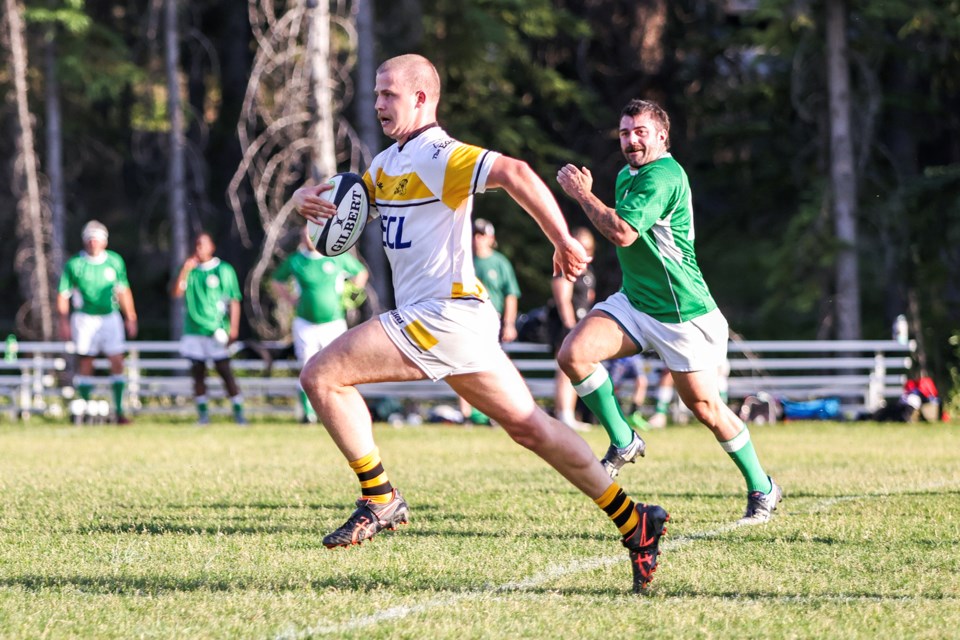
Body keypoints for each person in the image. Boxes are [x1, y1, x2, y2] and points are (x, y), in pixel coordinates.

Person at [293, 54, 669, 592]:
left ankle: (379, 497)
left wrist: (562, 239)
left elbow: (516, 173)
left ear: (422, 98)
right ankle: (635, 521)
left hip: (441, 315)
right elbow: (341, 210)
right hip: (459, 322)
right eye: (375, 94)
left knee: (321, 375)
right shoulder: (385, 165)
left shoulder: (441, 154)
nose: (378, 104)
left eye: (388, 95)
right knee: (531, 427)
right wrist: (302, 200)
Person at [556, 98, 782, 525]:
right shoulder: (627, 175)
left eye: (640, 131)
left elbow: (621, 233)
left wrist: (583, 195)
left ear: (662, 135)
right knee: (573, 354)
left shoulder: (664, 175)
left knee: (706, 408)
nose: (631, 140)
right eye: (624, 132)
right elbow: (622, 231)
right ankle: (623, 440)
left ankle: (763, 486)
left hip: (683, 313)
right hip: (636, 301)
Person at [270, 227, 369, 424]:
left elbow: (361, 273)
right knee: (307, 365)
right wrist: (289, 299)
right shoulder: (296, 260)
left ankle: (343, 412)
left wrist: (350, 294)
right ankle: (309, 414)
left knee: (338, 365)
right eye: (303, 234)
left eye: (311, 233)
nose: (307, 238)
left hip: (333, 321)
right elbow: (276, 281)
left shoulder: (335, 256)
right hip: (305, 322)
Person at [57, 220, 138, 424]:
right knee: (86, 361)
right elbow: (63, 294)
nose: (94, 242)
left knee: (117, 360)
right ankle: (84, 410)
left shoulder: (114, 261)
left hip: (110, 317)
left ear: (105, 241)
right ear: (85, 241)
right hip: (85, 318)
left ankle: (119, 411)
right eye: (90, 238)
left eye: (97, 238)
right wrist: (64, 322)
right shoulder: (75, 264)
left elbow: (123, 290)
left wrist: (131, 316)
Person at [171, 232, 247, 425]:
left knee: (225, 372)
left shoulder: (223, 269)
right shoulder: (190, 270)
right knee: (198, 374)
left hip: (216, 330)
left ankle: (238, 413)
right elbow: (176, 292)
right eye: (196, 244)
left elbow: (234, 300)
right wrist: (185, 269)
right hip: (193, 331)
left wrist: (234, 329)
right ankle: (203, 415)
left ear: (212, 247)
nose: (199, 248)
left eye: (202, 244)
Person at [457, 218, 521, 425]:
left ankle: (496, 412)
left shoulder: (500, 263)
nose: (478, 239)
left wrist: (509, 324)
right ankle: (466, 414)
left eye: (482, 235)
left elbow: (510, 294)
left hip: (493, 322)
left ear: (491, 238)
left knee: (494, 367)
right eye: (475, 234)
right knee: (463, 365)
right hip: (467, 319)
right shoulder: (464, 261)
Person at [547, 226, 596, 432]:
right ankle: (563, 413)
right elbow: (563, 301)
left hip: (582, 325)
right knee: (565, 371)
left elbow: (590, 299)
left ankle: (571, 413)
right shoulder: (566, 268)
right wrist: (570, 327)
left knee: (575, 370)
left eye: (588, 248)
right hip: (567, 325)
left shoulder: (588, 272)